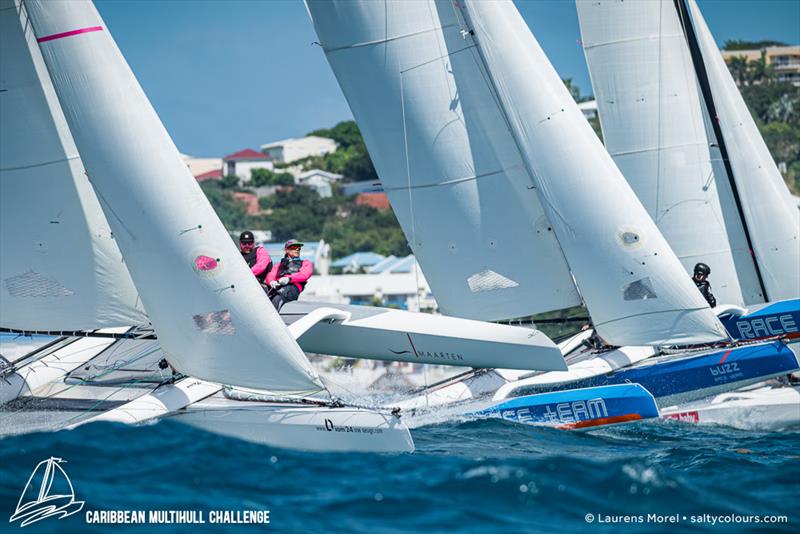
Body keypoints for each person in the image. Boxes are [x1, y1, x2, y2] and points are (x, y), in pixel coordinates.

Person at [266, 239, 313, 310]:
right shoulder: (278, 265)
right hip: (279, 287)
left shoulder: (305, 263)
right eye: (294, 248)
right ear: (287, 250)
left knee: (277, 298)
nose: (297, 249)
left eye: (298, 248)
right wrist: (271, 281)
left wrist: (289, 279)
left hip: (293, 287)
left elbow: (304, 275)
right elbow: (270, 275)